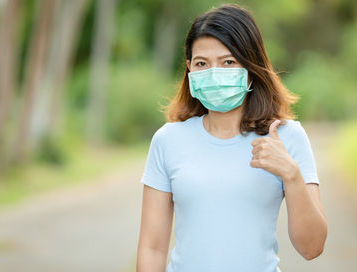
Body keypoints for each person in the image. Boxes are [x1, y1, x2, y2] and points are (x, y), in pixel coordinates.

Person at [136, 4, 327, 272]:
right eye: (202, 63)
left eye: (228, 62)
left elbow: (312, 247)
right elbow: (152, 247)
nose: (214, 73)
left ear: (251, 66)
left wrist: (291, 175)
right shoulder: (168, 140)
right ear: (189, 69)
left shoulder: (287, 137)